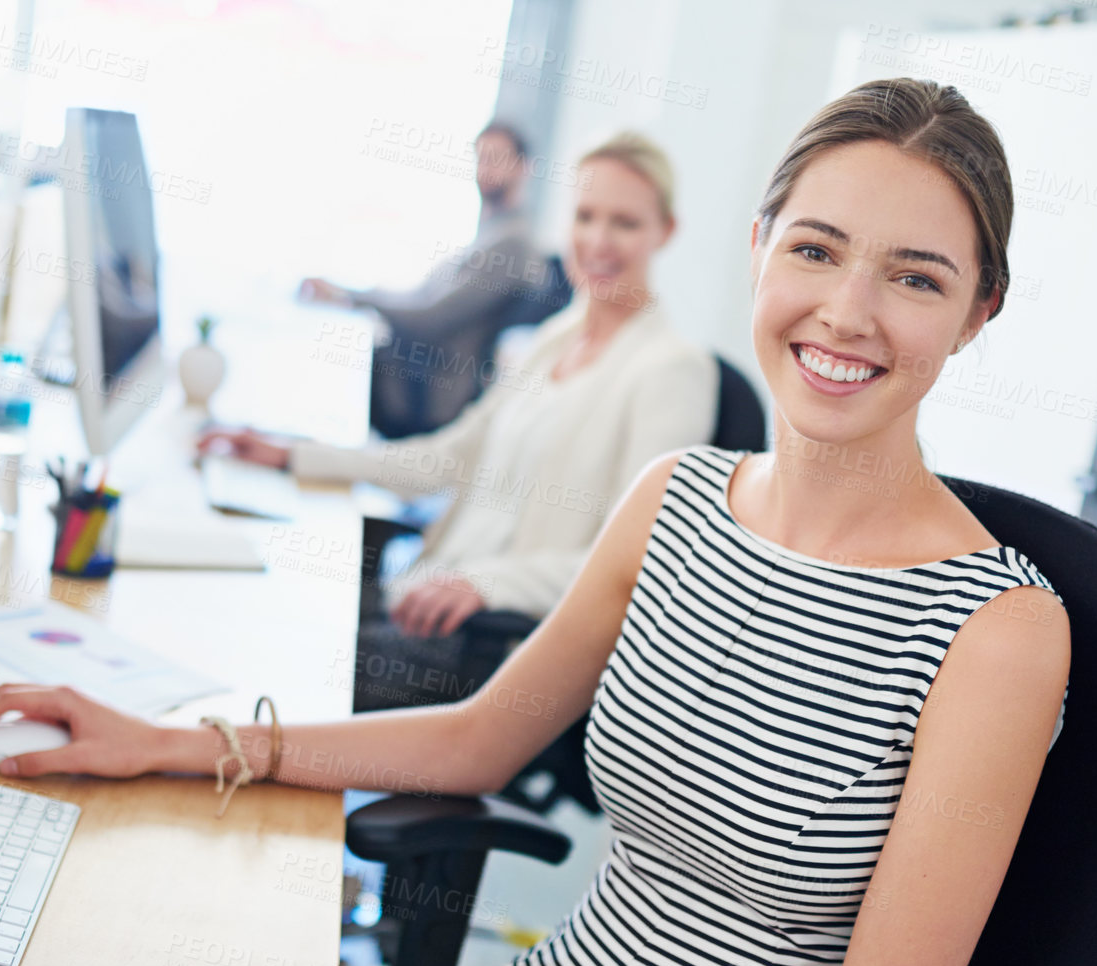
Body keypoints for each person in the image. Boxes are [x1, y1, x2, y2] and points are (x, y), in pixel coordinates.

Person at [0, 78, 1073, 966]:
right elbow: (474, 739)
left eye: (915, 279)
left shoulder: (1001, 630)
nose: (847, 310)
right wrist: (176, 743)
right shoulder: (676, 497)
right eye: (815, 250)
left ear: (980, 313)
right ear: (757, 247)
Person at [204, 132, 717, 712]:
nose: (598, 240)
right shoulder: (553, 339)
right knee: (254, 612)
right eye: (585, 216)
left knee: (278, 678)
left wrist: (487, 585)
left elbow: (635, 562)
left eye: (624, 222)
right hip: (423, 596)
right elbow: (447, 458)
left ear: (665, 232)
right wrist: (296, 453)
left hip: (493, 646)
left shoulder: (673, 369)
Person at [301, 122, 558, 437]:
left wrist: (350, 297)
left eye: (497, 159)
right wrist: (345, 293)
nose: (485, 169)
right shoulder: (488, 235)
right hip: (415, 375)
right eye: (481, 158)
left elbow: (429, 316)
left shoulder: (511, 243)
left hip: (434, 390)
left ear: (524, 168)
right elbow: (420, 298)